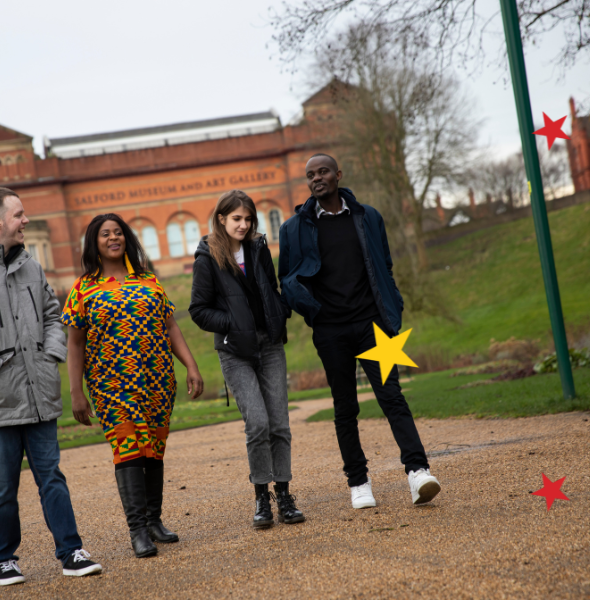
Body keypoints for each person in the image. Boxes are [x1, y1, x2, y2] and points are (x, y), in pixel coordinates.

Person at [0, 187, 102, 586]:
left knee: (52, 478)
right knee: (4, 487)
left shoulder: (32, 266)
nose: (26, 221)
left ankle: (71, 551)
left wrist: (52, 355)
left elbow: (52, 314)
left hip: (40, 392)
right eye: (19, 215)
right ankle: (3, 559)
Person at [278, 154, 441, 508]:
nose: (316, 178)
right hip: (330, 331)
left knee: (392, 397)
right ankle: (358, 482)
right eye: (310, 175)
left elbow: (384, 265)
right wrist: (313, 313)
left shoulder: (368, 216)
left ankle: (418, 472)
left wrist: (390, 309)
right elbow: (287, 281)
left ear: (338, 174)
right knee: (345, 406)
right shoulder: (293, 228)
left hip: (372, 326)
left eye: (322, 171)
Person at [61, 213, 204, 558]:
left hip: (156, 380)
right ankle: (137, 530)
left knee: (153, 450)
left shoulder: (149, 281)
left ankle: (154, 521)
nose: (114, 238)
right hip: (110, 385)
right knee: (128, 450)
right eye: (105, 234)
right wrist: (76, 392)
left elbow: (170, 327)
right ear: (94, 243)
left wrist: (191, 366)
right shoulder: (83, 288)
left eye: (119, 233)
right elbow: (75, 344)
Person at [189, 190, 305, 529]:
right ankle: (261, 497)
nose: (243, 224)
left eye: (248, 219)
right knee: (257, 423)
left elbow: (272, 289)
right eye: (237, 218)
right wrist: (233, 325)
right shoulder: (207, 256)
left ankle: (283, 494)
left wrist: (279, 315)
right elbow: (198, 310)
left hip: (269, 345)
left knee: (279, 424)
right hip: (234, 351)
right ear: (222, 219)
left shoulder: (258, 248)